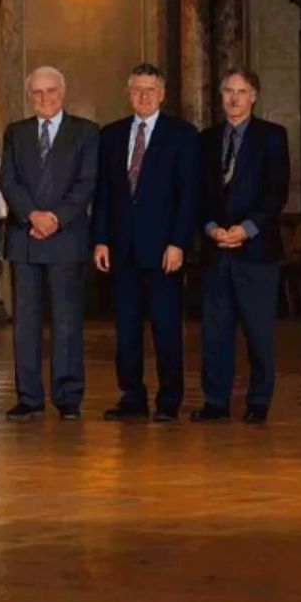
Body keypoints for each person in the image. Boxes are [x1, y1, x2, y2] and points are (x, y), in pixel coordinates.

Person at [92, 63, 199, 422]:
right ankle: (131, 397)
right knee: (126, 330)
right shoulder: (111, 135)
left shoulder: (182, 135)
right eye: (137, 89)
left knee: (167, 328)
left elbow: (188, 195)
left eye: (150, 89)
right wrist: (101, 240)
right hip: (121, 249)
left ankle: (169, 400)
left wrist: (178, 242)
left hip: (164, 249)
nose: (143, 95)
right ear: (128, 93)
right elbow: (104, 192)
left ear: (162, 93)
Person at [0, 66, 98, 421]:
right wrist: (33, 216)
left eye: (51, 91)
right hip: (24, 237)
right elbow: (8, 180)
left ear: (63, 91)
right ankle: (29, 397)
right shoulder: (16, 131)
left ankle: (68, 396)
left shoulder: (86, 132)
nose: (44, 98)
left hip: (66, 236)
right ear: (29, 96)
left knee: (67, 322)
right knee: (25, 323)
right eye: (37, 92)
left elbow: (87, 183)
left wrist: (54, 218)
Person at [193, 67, 290, 424]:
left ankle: (258, 402)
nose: (234, 98)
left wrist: (246, 230)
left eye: (242, 91)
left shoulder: (272, 137)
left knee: (258, 331)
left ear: (254, 97)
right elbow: (199, 194)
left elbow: (276, 192)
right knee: (215, 332)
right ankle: (215, 403)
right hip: (215, 249)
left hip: (257, 251)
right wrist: (211, 227)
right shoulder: (205, 139)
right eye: (228, 91)